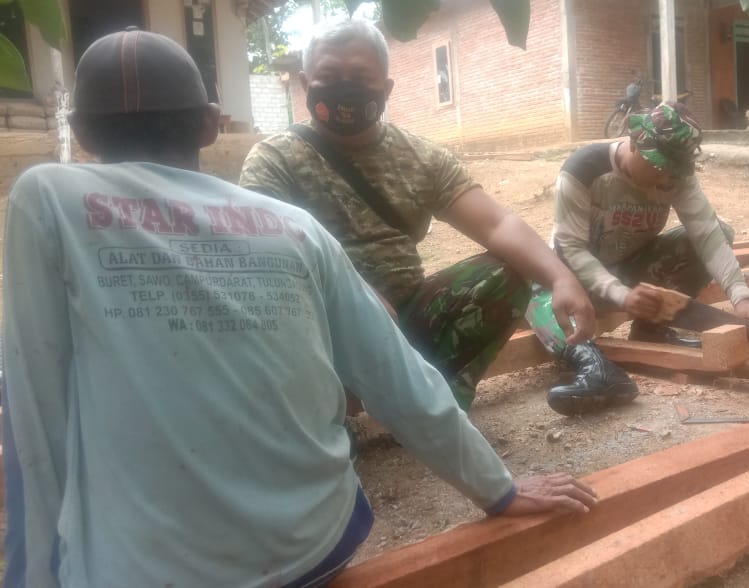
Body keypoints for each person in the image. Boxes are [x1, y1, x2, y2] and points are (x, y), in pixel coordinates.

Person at [1, 28, 597, 588]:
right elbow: (400, 377)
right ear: (210, 126)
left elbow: (35, 407)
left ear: (79, 131)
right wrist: (498, 491)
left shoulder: (48, 196)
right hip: (318, 545)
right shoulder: (294, 222)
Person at [239, 20, 595, 411]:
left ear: (386, 88)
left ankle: (430, 405)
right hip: (322, 326)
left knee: (505, 275)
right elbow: (265, 257)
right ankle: (331, 411)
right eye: (329, 76)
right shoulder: (274, 160)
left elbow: (496, 223)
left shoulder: (421, 157)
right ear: (306, 84)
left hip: (405, 318)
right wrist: (350, 294)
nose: (345, 87)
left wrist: (561, 277)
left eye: (360, 77)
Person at [526, 101, 749, 416]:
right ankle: (595, 369)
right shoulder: (584, 169)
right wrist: (620, 294)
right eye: (658, 165)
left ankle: (651, 329)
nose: (665, 178)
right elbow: (572, 249)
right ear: (634, 141)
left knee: (719, 232)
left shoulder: (675, 178)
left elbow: (708, 235)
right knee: (536, 295)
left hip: (630, 272)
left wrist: (742, 298)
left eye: (674, 169)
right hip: (574, 279)